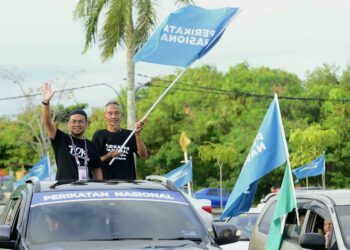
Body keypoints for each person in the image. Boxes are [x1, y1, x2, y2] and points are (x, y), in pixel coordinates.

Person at [41, 82, 102, 180]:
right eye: (73, 122)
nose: (77, 124)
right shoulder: (60, 139)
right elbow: (47, 121)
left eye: (80, 122)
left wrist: (100, 190)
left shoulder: (91, 146)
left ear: (86, 124)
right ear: (68, 124)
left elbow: (97, 170)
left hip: (87, 190)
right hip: (65, 191)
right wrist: (45, 102)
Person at [92, 101, 147, 180]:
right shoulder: (99, 135)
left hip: (128, 184)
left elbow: (143, 156)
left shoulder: (131, 134)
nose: (114, 116)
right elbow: (94, 162)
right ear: (105, 116)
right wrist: (109, 155)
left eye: (117, 113)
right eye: (110, 113)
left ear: (121, 115)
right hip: (106, 184)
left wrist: (137, 134)